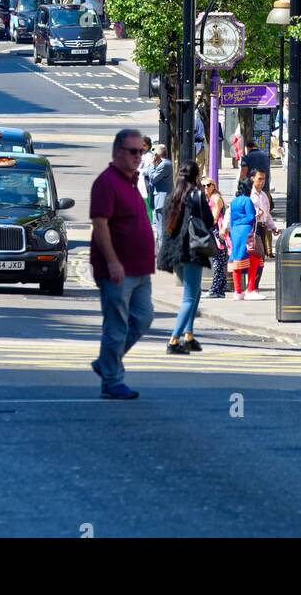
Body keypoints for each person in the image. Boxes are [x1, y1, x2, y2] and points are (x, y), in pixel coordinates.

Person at [89, 128, 156, 399]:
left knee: (142, 318)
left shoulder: (132, 181)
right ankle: (112, 381)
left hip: (140, 269)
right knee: (116, 325)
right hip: (117, 270)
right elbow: (100, 225)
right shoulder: (106, 183)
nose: (138, 156)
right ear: (117, 152)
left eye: (141, 151)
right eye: (133, 151)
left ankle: (107, 362)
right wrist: (112, 262)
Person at [157, 161, 216, 352]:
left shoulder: (173, 197)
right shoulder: (196, 196)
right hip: (191, 251)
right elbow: (208, 220)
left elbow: (166, 228)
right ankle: (174, 340)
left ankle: (189, 335)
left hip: (175, 254)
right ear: (196, 177)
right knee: (189, 298)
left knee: (195, 292)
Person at [222, 179, 258, 299]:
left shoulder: (234, 201)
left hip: (235, 231)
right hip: (246, 231)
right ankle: (250, 289)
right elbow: (251, 217)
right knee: (253, 257)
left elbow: (231, 219)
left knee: (236, 258)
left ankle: (238, 291)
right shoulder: (247, 200)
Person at [142, 143, 173, 248]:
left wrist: (151, 165)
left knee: (161, 229)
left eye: (154, 152)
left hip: (162, 199)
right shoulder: (161, 163)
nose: (153, 155)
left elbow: (153, 178)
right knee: (159, 228)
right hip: (157, 199)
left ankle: (162, 253)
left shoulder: (164, 164)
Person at [202, 176, 228, 298]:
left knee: (218, 261)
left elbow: (214, 218)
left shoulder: (215, 198)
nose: (206, 187)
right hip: (216, 232)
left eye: (208, 185)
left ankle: (215, 290)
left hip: (218, 233)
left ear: (214, 186)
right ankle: (220, 290)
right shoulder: (210, 198)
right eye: (203, 186)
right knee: (220, 261)